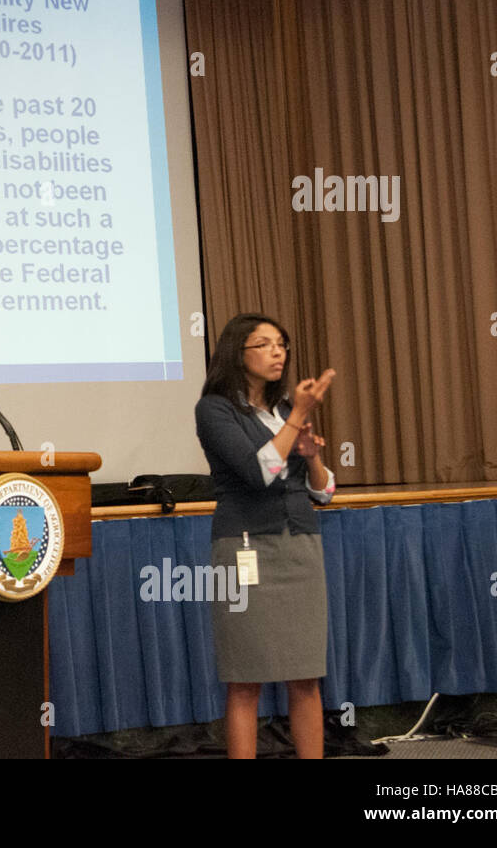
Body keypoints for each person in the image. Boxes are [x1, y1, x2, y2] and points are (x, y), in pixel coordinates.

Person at [194, 313, 336, 759]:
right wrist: (298, 416)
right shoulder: (215, 410)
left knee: (305, 674)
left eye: (282, 344)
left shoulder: (280, 414)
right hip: (244, 548)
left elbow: (325, 492)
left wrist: (311, 457)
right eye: (265, 344)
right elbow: (260, 473)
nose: (279, 352)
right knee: (245, 677)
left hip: (300, 547)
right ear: (239, 353)